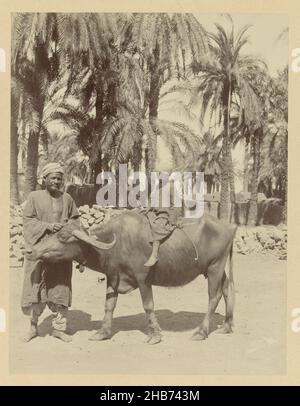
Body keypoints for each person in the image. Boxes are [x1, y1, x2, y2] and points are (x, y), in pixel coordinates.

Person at [21, 162, 80, 343]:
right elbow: (28, 221)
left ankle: (58, 329)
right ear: (44, 179)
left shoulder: (67, 199)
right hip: (39, 250)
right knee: (35, 288)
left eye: (59, 178)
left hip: (60, 253)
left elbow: (75, 221)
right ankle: (33, 327)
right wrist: (47, 226)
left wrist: (65, 228)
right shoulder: (34, 197)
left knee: (61, 289)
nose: (56, 181)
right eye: (53, 178)